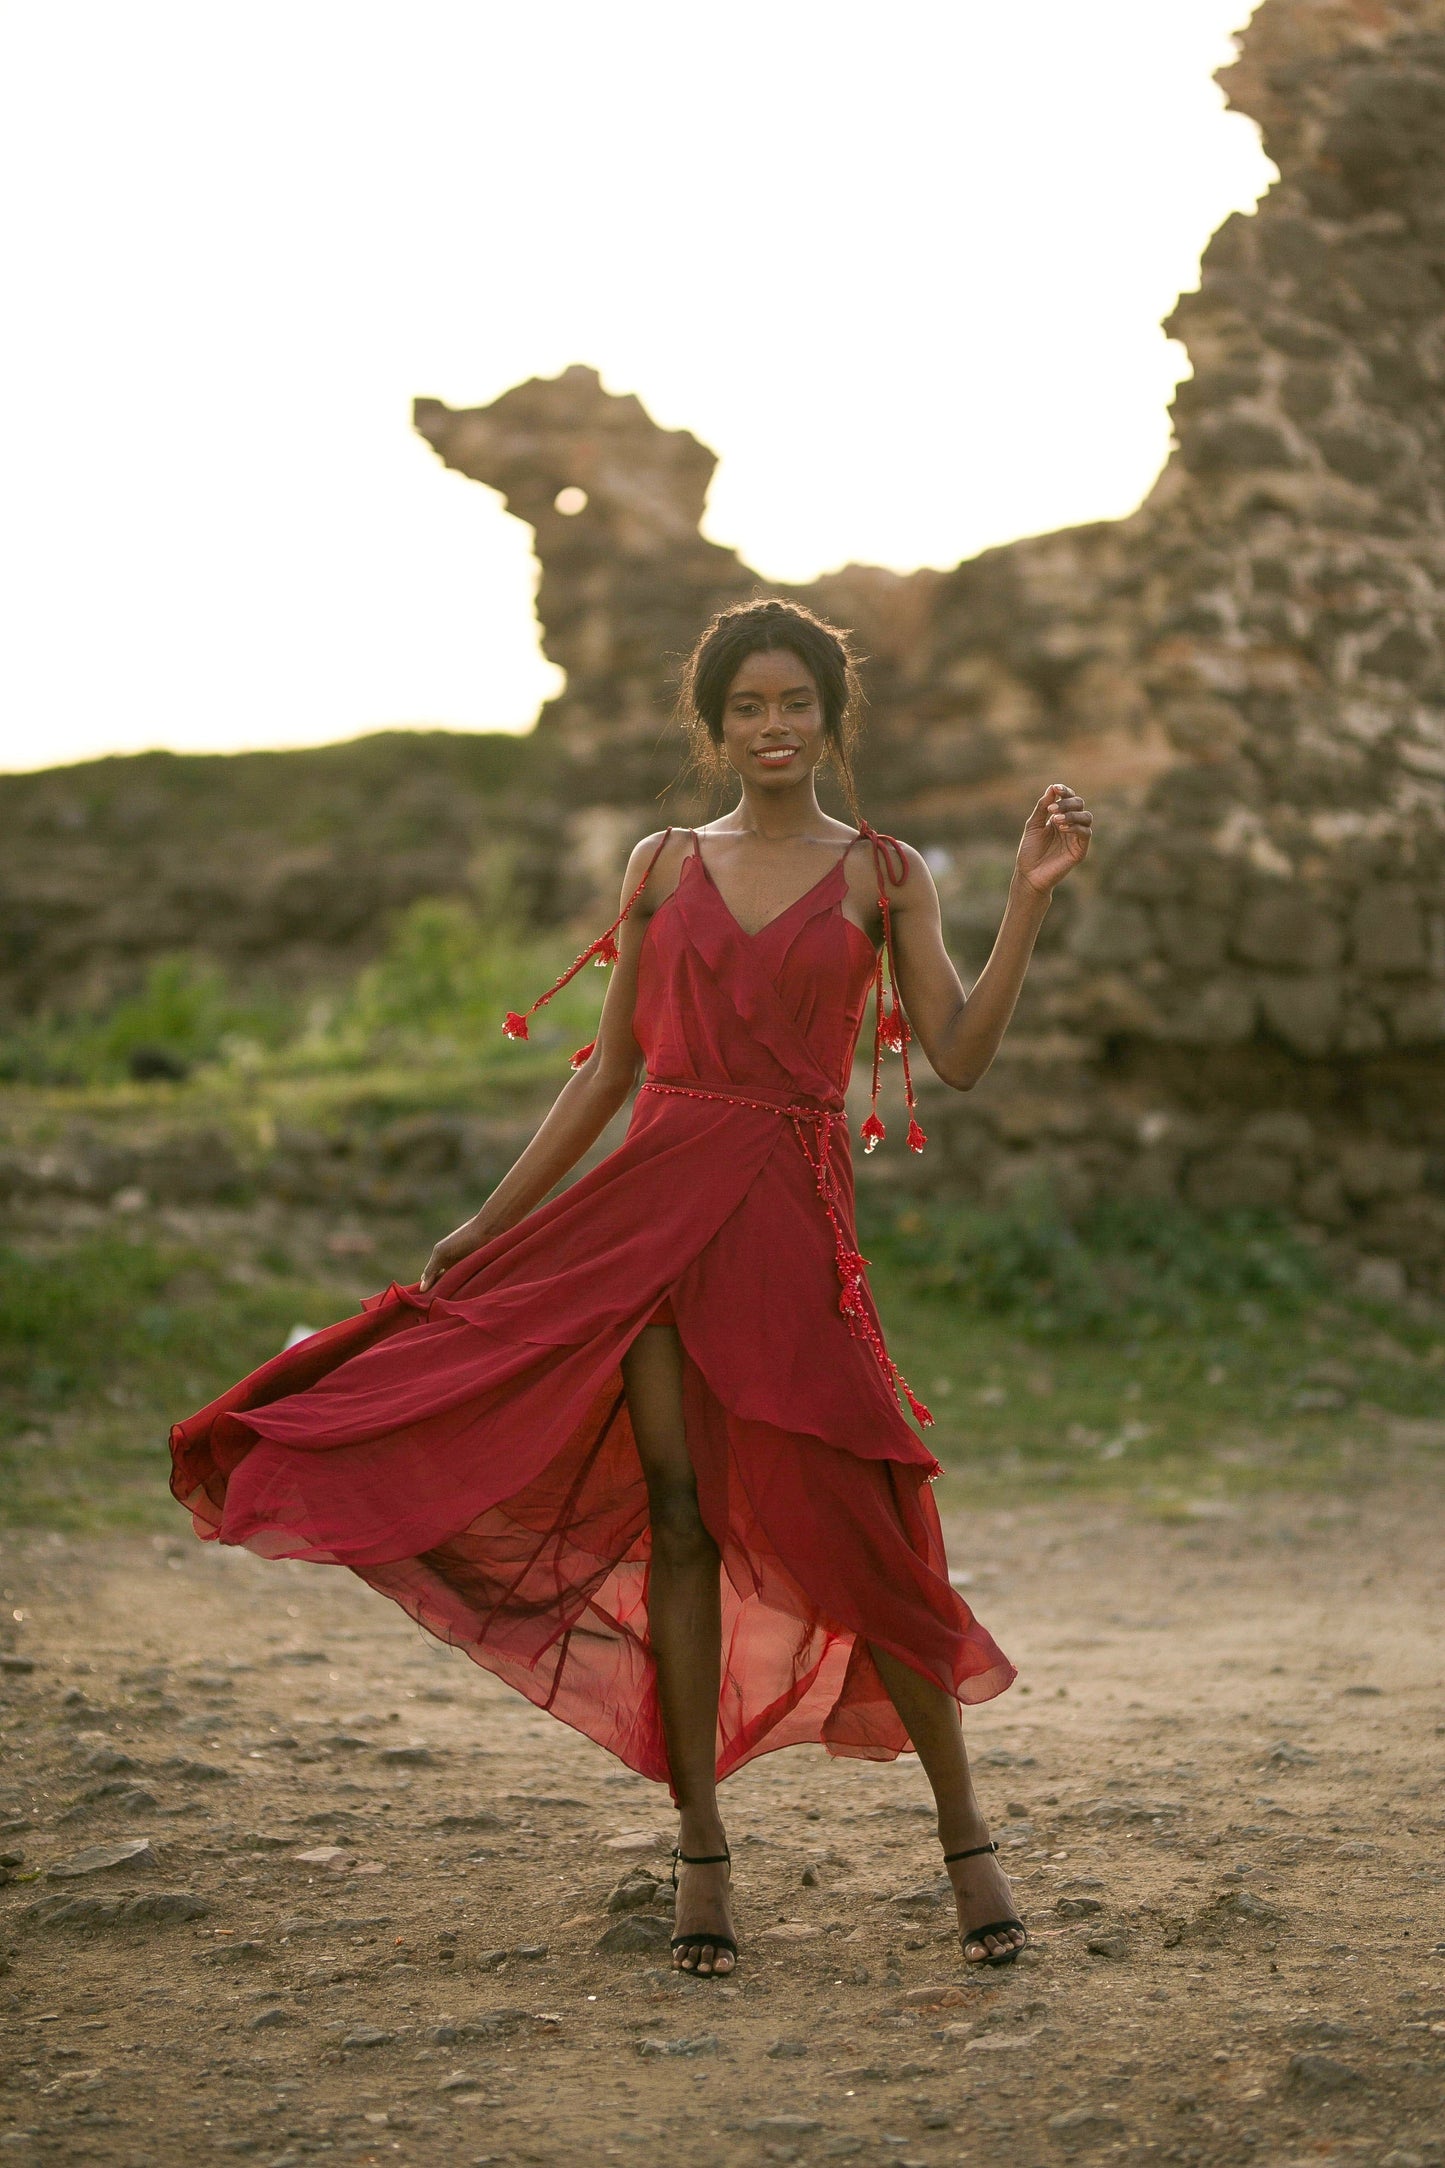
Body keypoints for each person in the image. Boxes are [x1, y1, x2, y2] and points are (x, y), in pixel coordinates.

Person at [170, 597, 1093, 1980]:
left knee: (870, 1520)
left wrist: (1024, 898)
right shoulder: (660, 865)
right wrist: (485, 1227)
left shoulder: (885, 874)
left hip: (785, 1218)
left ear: (829, 720)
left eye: (794, 705)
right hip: (644, 1214)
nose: (771, 728)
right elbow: (606, 1071)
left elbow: (953, 1052)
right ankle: (701, 1851)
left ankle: (968, 1842)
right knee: (674, 1521)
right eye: (746, 708)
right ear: (712, 726)